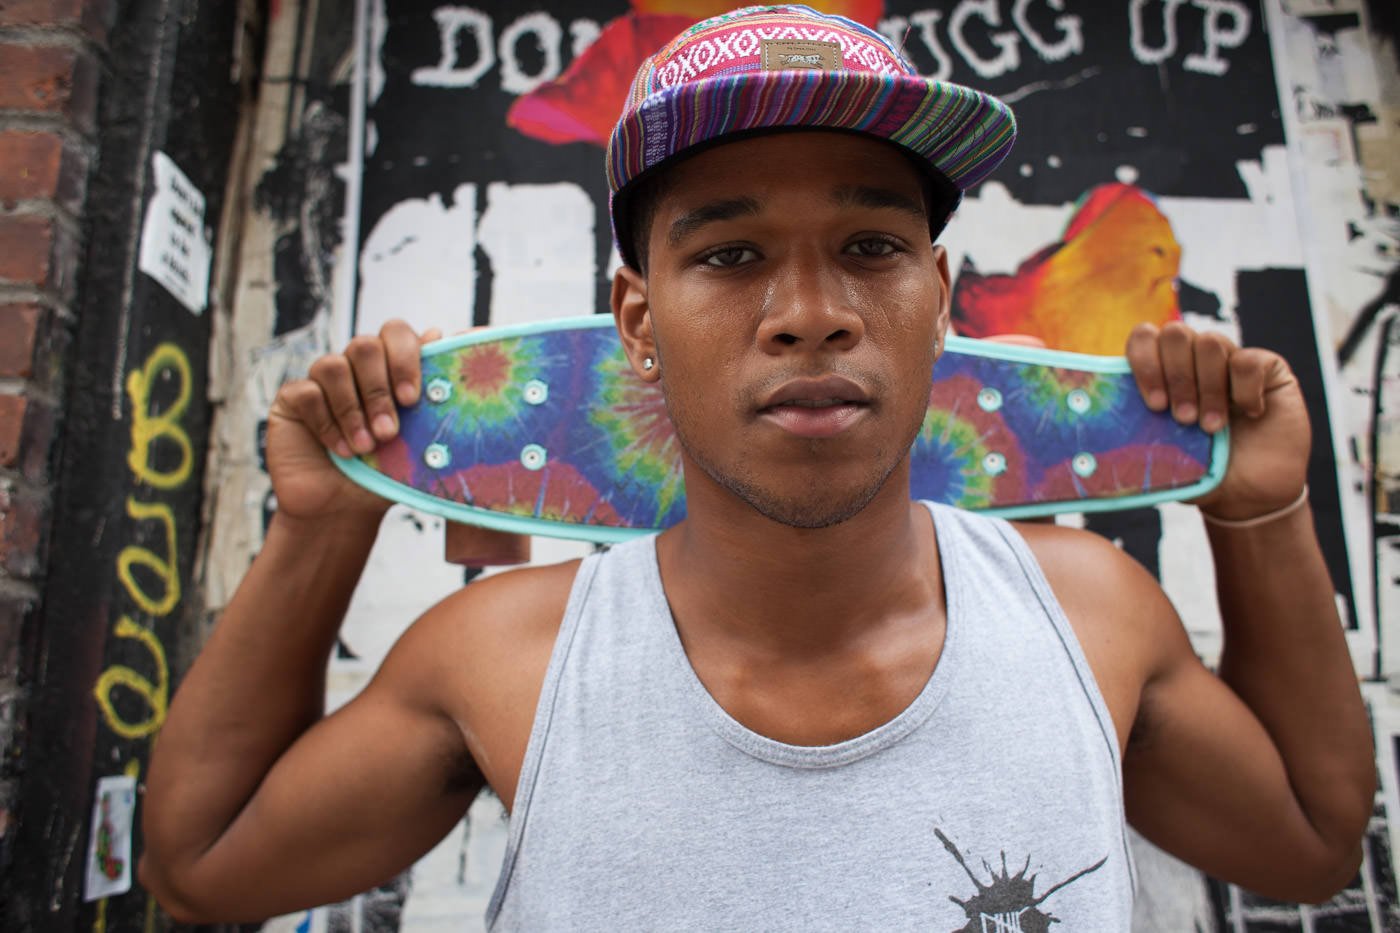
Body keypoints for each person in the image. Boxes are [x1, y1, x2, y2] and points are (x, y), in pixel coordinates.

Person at [140, 5, 1374, 928]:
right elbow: (203, 869)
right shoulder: (513, 659)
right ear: (637, 320)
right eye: (729, 257)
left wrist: (1258, 511)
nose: (807, 311)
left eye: (870, 245)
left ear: (937, 296)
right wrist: (321, 520)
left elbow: (1311, 848)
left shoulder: (1084, 612)